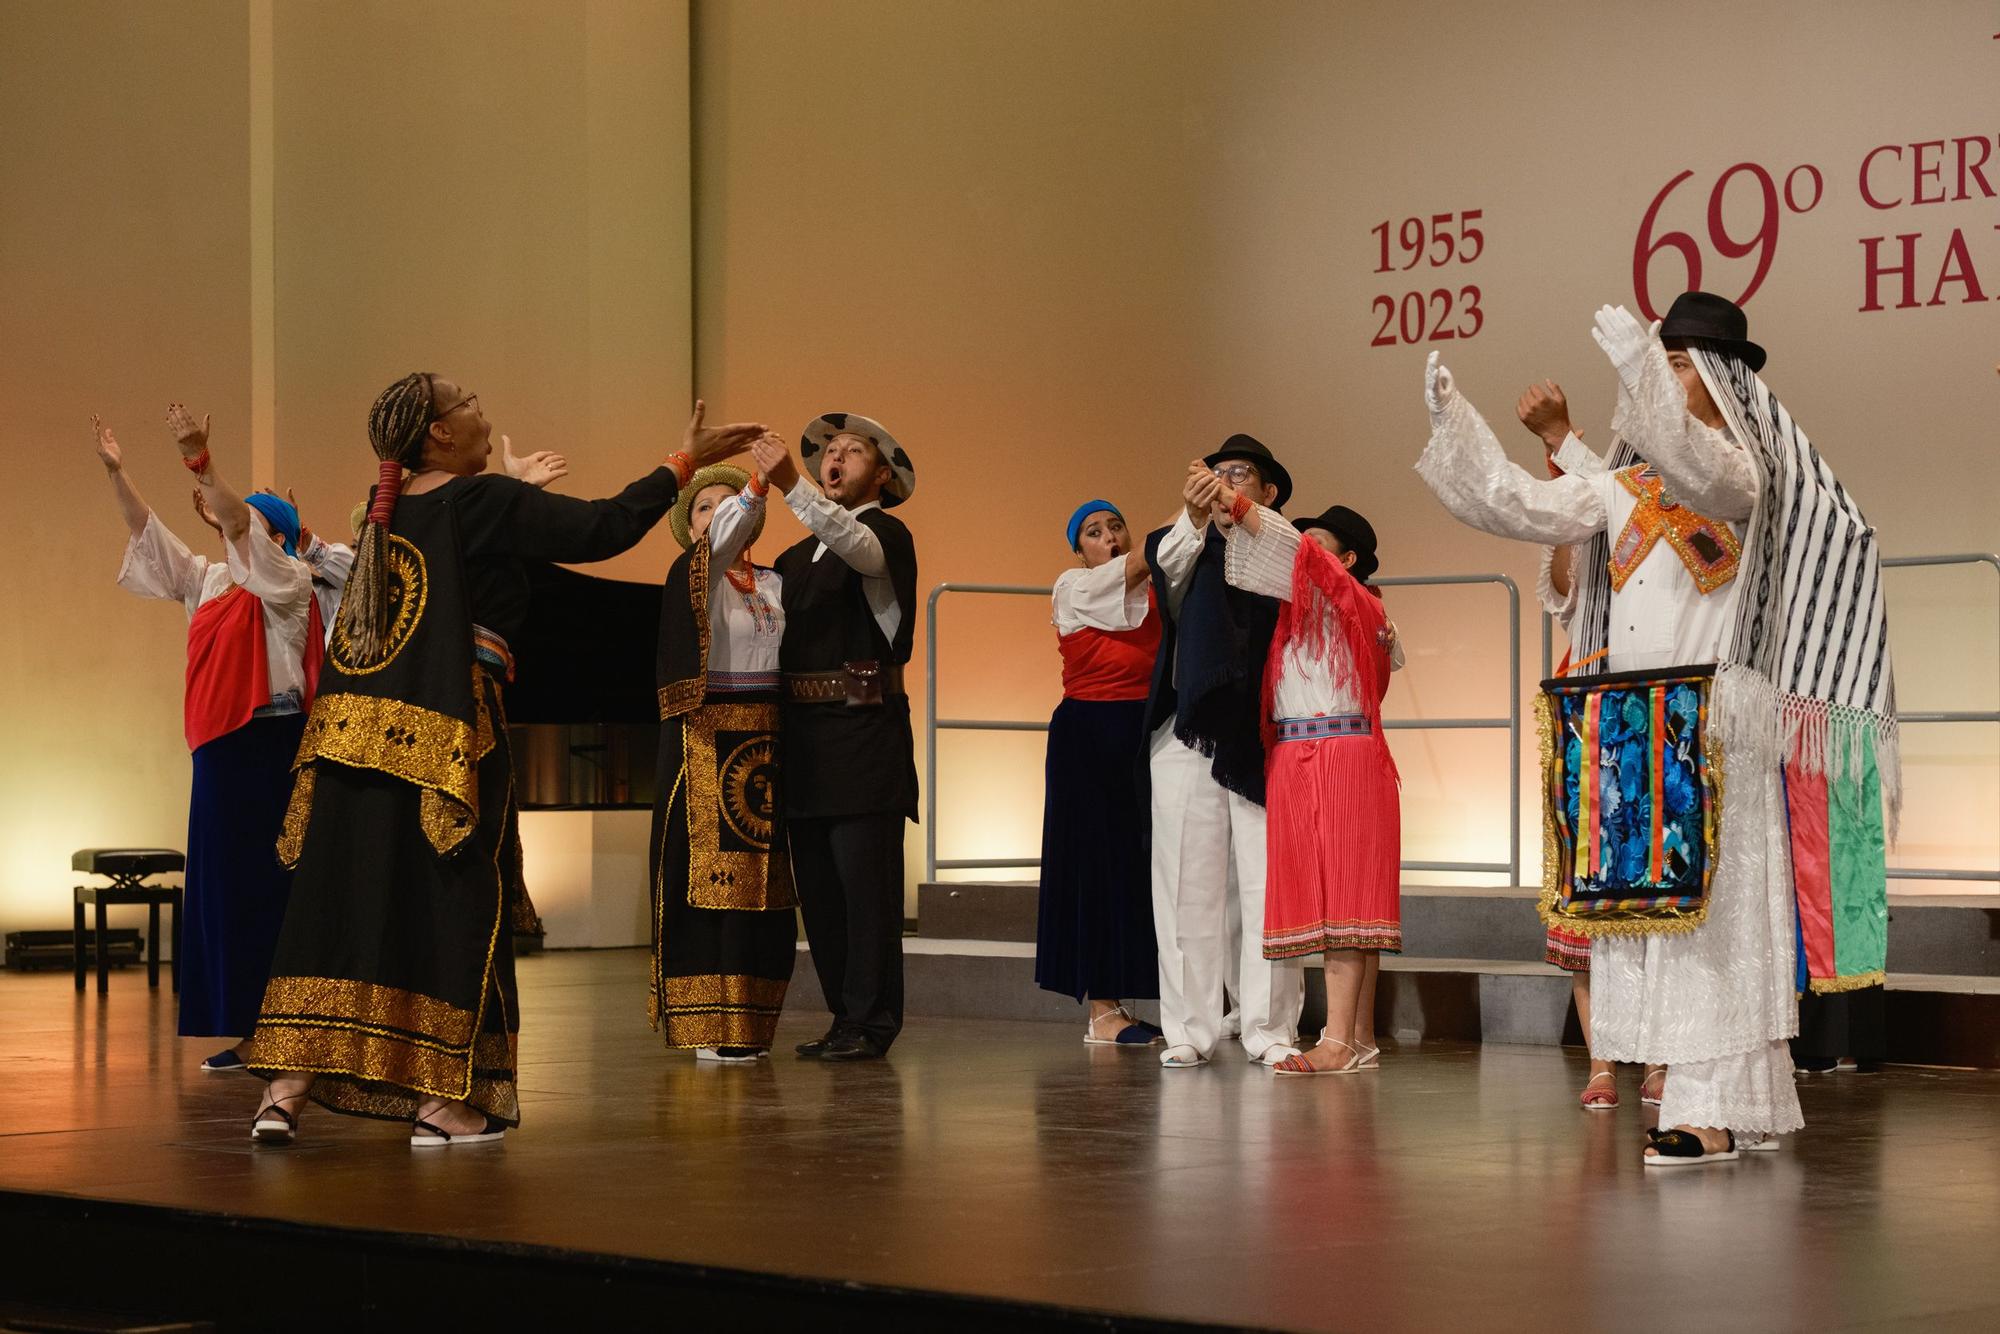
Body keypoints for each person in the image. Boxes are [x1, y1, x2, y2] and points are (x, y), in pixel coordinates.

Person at [1419, 290, 1897, 1166]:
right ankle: (1726, 1103)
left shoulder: (1750, 474)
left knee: (1718, 930)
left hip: (1716, 730)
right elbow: (1525, 507)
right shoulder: (1628, 488)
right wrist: (1460, 426)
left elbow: (1701, 475)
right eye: (1664, 361)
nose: (1668, 377)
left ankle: (1709, 1112)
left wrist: (1638, 368)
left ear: (1722, 376)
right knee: (1665, 924)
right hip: (1640, 726)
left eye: (1681, 364)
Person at [240, 378, 762, 1145]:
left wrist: (513, 489)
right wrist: (683, 463)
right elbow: (603, 527)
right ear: (440, 435)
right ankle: (438, 1104)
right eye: (467, 400)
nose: (483, 405)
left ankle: (282, 1093)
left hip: (350, 739)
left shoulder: (395, 510)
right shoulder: (479, 500)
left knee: (343, 906)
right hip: (446, 738)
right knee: (450, 909)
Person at [96, 406, 329, 1075]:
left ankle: (290, 1037)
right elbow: (147, 533)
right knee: (225, 894)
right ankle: (246, 1031)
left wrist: (202, 461)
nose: (232, 525)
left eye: (249, 522)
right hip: (222, 756)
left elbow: (235, 525)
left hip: (274, 750)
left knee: (272, 893)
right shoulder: (208, 580)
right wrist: (118, 472)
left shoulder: (288, 580)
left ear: (272, 534)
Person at [1517, 380, 1667, 1113]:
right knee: (1589, 902)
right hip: (1591, 722)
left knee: (1664, 895)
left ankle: (1667, 1055)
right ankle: (1603, 1059)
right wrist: (1569, 514)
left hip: (1658, 719)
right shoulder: (1591, 527)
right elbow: (1561, 587)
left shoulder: (1672, 536)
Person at [1214, 496, 1403, 1075]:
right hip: (1296, 756)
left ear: (1347, 558)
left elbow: (1317, 572)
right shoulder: (1293, 621)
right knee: (1337, 903)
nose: (1302, 558)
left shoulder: (1362, 604)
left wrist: (1242, 506)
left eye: (1316, 547)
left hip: (1344, 756)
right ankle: (1361, 1038)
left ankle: (1337, 1040)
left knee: (1346, 901)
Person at [750, 415, 919, 1062]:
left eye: (854, 451)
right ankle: (844, 1018)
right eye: (828, 452)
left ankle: (873, 1020)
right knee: (820, 894)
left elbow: (857, 546)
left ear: (882, 474)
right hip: (804, 738)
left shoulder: (883, 534)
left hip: (861, 734)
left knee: (864, 888)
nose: (835, 457)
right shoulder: (795, 558)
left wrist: (793, 486)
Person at [1142, 436, 1304, 1070]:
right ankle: (1189, 1028)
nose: (1226, 480)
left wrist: (1240, 515)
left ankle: (1269, 1028)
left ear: (1268, 493)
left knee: (1267, 887)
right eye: (1217, 471)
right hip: (1188, 727)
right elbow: (1169, 572)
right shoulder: (1180, 539)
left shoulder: (1286, 541)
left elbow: (1281, 565)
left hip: (1262, 730)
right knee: (1185, 885)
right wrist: (1193, 514)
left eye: (1244, 474)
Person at [648, 456, 796, 1061]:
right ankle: (712, 1022)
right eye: (703, 506)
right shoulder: (693, 573)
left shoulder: (776, 584)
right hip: (707, 737)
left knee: (765, 884)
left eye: (724, 504)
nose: (717, 516)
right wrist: (755, 485)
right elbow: (722, 538)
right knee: (710, 883)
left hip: (767, 738)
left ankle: (755, 1019)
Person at [1034, 499, 1164, 1045]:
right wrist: (1188, 518)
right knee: (1095, 866)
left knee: (1140, 866)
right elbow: (1137, 564)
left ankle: (1137, 1001)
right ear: (1078, 550)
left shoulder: (1154, 594)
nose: (1108, 536)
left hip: (1144, 733)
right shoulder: (1074, 587)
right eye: (1093, 531)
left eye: (1116, 526)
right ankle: (1102, 1011)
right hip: (1088, 735)